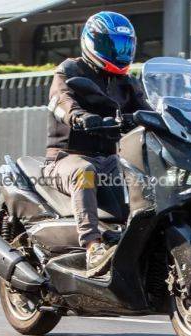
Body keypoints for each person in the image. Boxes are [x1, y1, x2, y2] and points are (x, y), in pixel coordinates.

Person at [44, 11, 150, 277]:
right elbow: (60, 100)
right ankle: (93, 248)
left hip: (110, 160)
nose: (119, 51)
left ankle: (138, 243)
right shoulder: (69, 70)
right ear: (92, 42)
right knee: (84, 172)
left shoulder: (126, 83)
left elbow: (149, 113)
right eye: (111, 45)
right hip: (66, 159)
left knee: (145, 176)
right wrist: (78, 116)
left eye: (124, 46)